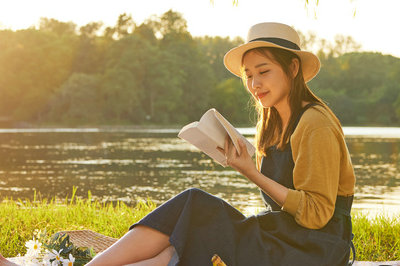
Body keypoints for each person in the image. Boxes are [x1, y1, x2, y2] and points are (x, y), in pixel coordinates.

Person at [86, 22, 356, 266]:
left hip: (316, 250)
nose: (255, 84)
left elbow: (317, 215)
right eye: (248, 75)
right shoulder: (271, 124)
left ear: (293, 69)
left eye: (263, 71)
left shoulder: (315, 123)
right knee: (186, 231)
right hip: (283, 236)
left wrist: (251, 173)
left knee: (194, 219)